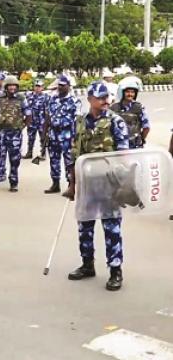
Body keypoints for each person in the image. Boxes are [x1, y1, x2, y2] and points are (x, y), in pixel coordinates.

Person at [63, 81, 130, 291]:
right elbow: (75, 155)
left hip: (109, 185)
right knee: (85, 226)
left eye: (107, 98)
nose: (105, 102)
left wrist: (122, 186)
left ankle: (115, 270)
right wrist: (72, 185)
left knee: (111, 228)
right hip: (86, 183)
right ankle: (87, 264)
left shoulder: (115, 122)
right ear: (90, 99)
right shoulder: (80, 122)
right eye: (100, 98)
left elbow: (123, 156)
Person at [0, 75, 31, 192]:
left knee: (15, 160)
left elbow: (28, 114)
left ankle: (13, 183)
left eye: (14, 86)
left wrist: (21, 127)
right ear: (6, 87)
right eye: (10, 86)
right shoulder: (0, 98)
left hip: (15, 134)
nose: (12, 88)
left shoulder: (21, 98)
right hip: (1, 133)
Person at [42, 75, 81, 194]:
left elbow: (78, 120)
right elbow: (48, 117)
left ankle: (71, 185)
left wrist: (76, 138)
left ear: (69, 86)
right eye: (59, 85)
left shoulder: (75, 101)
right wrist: (44, 134)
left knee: (69, 161)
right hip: (53, 133)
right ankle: (55, 184)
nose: (60, 87)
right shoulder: (52, 99)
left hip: (67, 134)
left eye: (63, 85)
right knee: (53, 159)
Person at [110, 77, 150, 149]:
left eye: (133, 92)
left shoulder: (139, 108)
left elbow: (146, 127)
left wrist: (141, 140)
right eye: (127, 92)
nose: (130, 94)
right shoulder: (113, 108)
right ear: (122, 92)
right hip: (117, 147)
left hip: (134, 147)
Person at [23, 79, 49, 160]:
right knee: (30, 138)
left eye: (39, 86)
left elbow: (48, 111)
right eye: (36, 86)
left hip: (42, 122)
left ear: (42, 87)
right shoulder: (29, 96)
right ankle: (29, 153)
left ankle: (43, 154)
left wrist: (47, 122)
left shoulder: (46, 97)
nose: (37, 88)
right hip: (32, 121)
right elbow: (26, 108)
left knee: (43, 138)